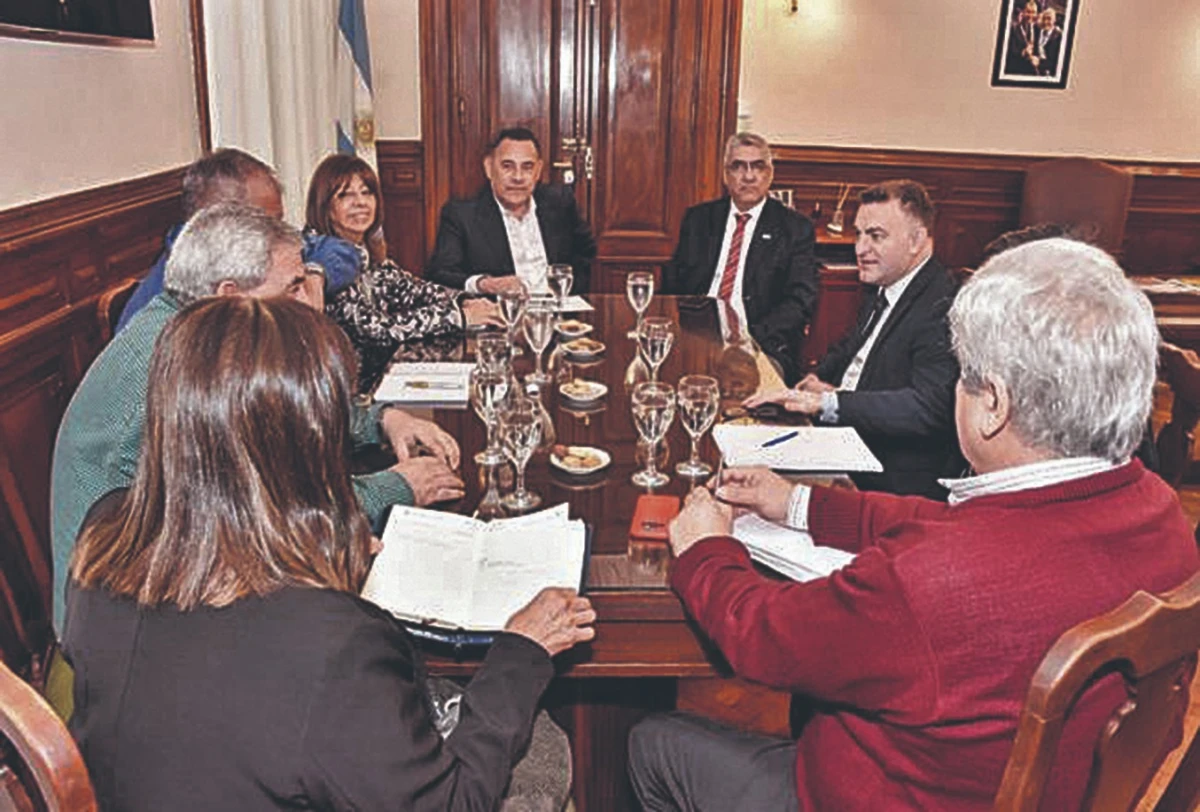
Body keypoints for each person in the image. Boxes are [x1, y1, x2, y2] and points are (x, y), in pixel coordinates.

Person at [628, 238, 1200, 811]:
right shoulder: (1159, 510)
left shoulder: (932, 584)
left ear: (993, 405)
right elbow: (952, 526)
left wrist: (705, 549)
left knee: (651, 744)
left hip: (866, 795)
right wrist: (800, 503)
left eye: (963, 374)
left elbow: (760, 634)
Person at [62, 296, 595, 811]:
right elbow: (453, 801)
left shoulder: (103, 535)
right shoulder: (333, 646)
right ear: (303, 443)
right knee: (545, 744)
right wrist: (522, 648)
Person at [50, 204, 463, 632]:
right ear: (231, 296)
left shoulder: (184, 327)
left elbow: (285, 408)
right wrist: (400, 486)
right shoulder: (185, 374)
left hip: (170, 591)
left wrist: (383, 419)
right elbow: (275, 515)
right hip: (132, 635)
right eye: (294, 286)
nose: (310, 302)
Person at [745, 180, 960, 498]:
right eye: (858, 234)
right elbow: (851, 346)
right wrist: (814, 381)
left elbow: (927, 408)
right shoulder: (885, 284)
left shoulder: (942, 304)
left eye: (876, 236)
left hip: (883, 475)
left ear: (916, 240)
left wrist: (829, 403)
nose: (860, 249)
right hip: (841, 436)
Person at [305, 153, 503, 391]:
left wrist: (467, 301)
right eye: (345, 195)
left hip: (381, 384)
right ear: (325, 206)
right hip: (348, 400)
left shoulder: (365, 254)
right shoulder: (326, 260)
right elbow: (376, 329)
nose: (360, 202)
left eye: (366, 192)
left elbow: (415, 289)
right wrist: (457, 315)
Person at [116, 148, 360, 331]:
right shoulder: (169, 312)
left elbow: (342, 252)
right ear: (219, 222)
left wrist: (316, 275)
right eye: (265, 223)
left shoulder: (257, 249)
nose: (278, 231)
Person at [661, 132, 820, 384]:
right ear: (725, 175)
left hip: (761, 345)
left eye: (758, 166)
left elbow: (800, 301)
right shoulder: (698, 219)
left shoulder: (795, 228)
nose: (748, 176)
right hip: (696, 340)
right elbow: (672, 284)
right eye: (738, 166)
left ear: (770, 174)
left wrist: (750, 339)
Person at [426, 127, 597, 294]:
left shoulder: (561, 204)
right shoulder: (461, 216)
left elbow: (586, 252)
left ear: (538, 171)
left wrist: (570, 294)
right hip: (501, 316)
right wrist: (484, 284)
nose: (518, 177)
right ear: (488, 168)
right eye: (507, 166)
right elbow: (440, 274)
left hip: (559, 314)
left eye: (527, 167)